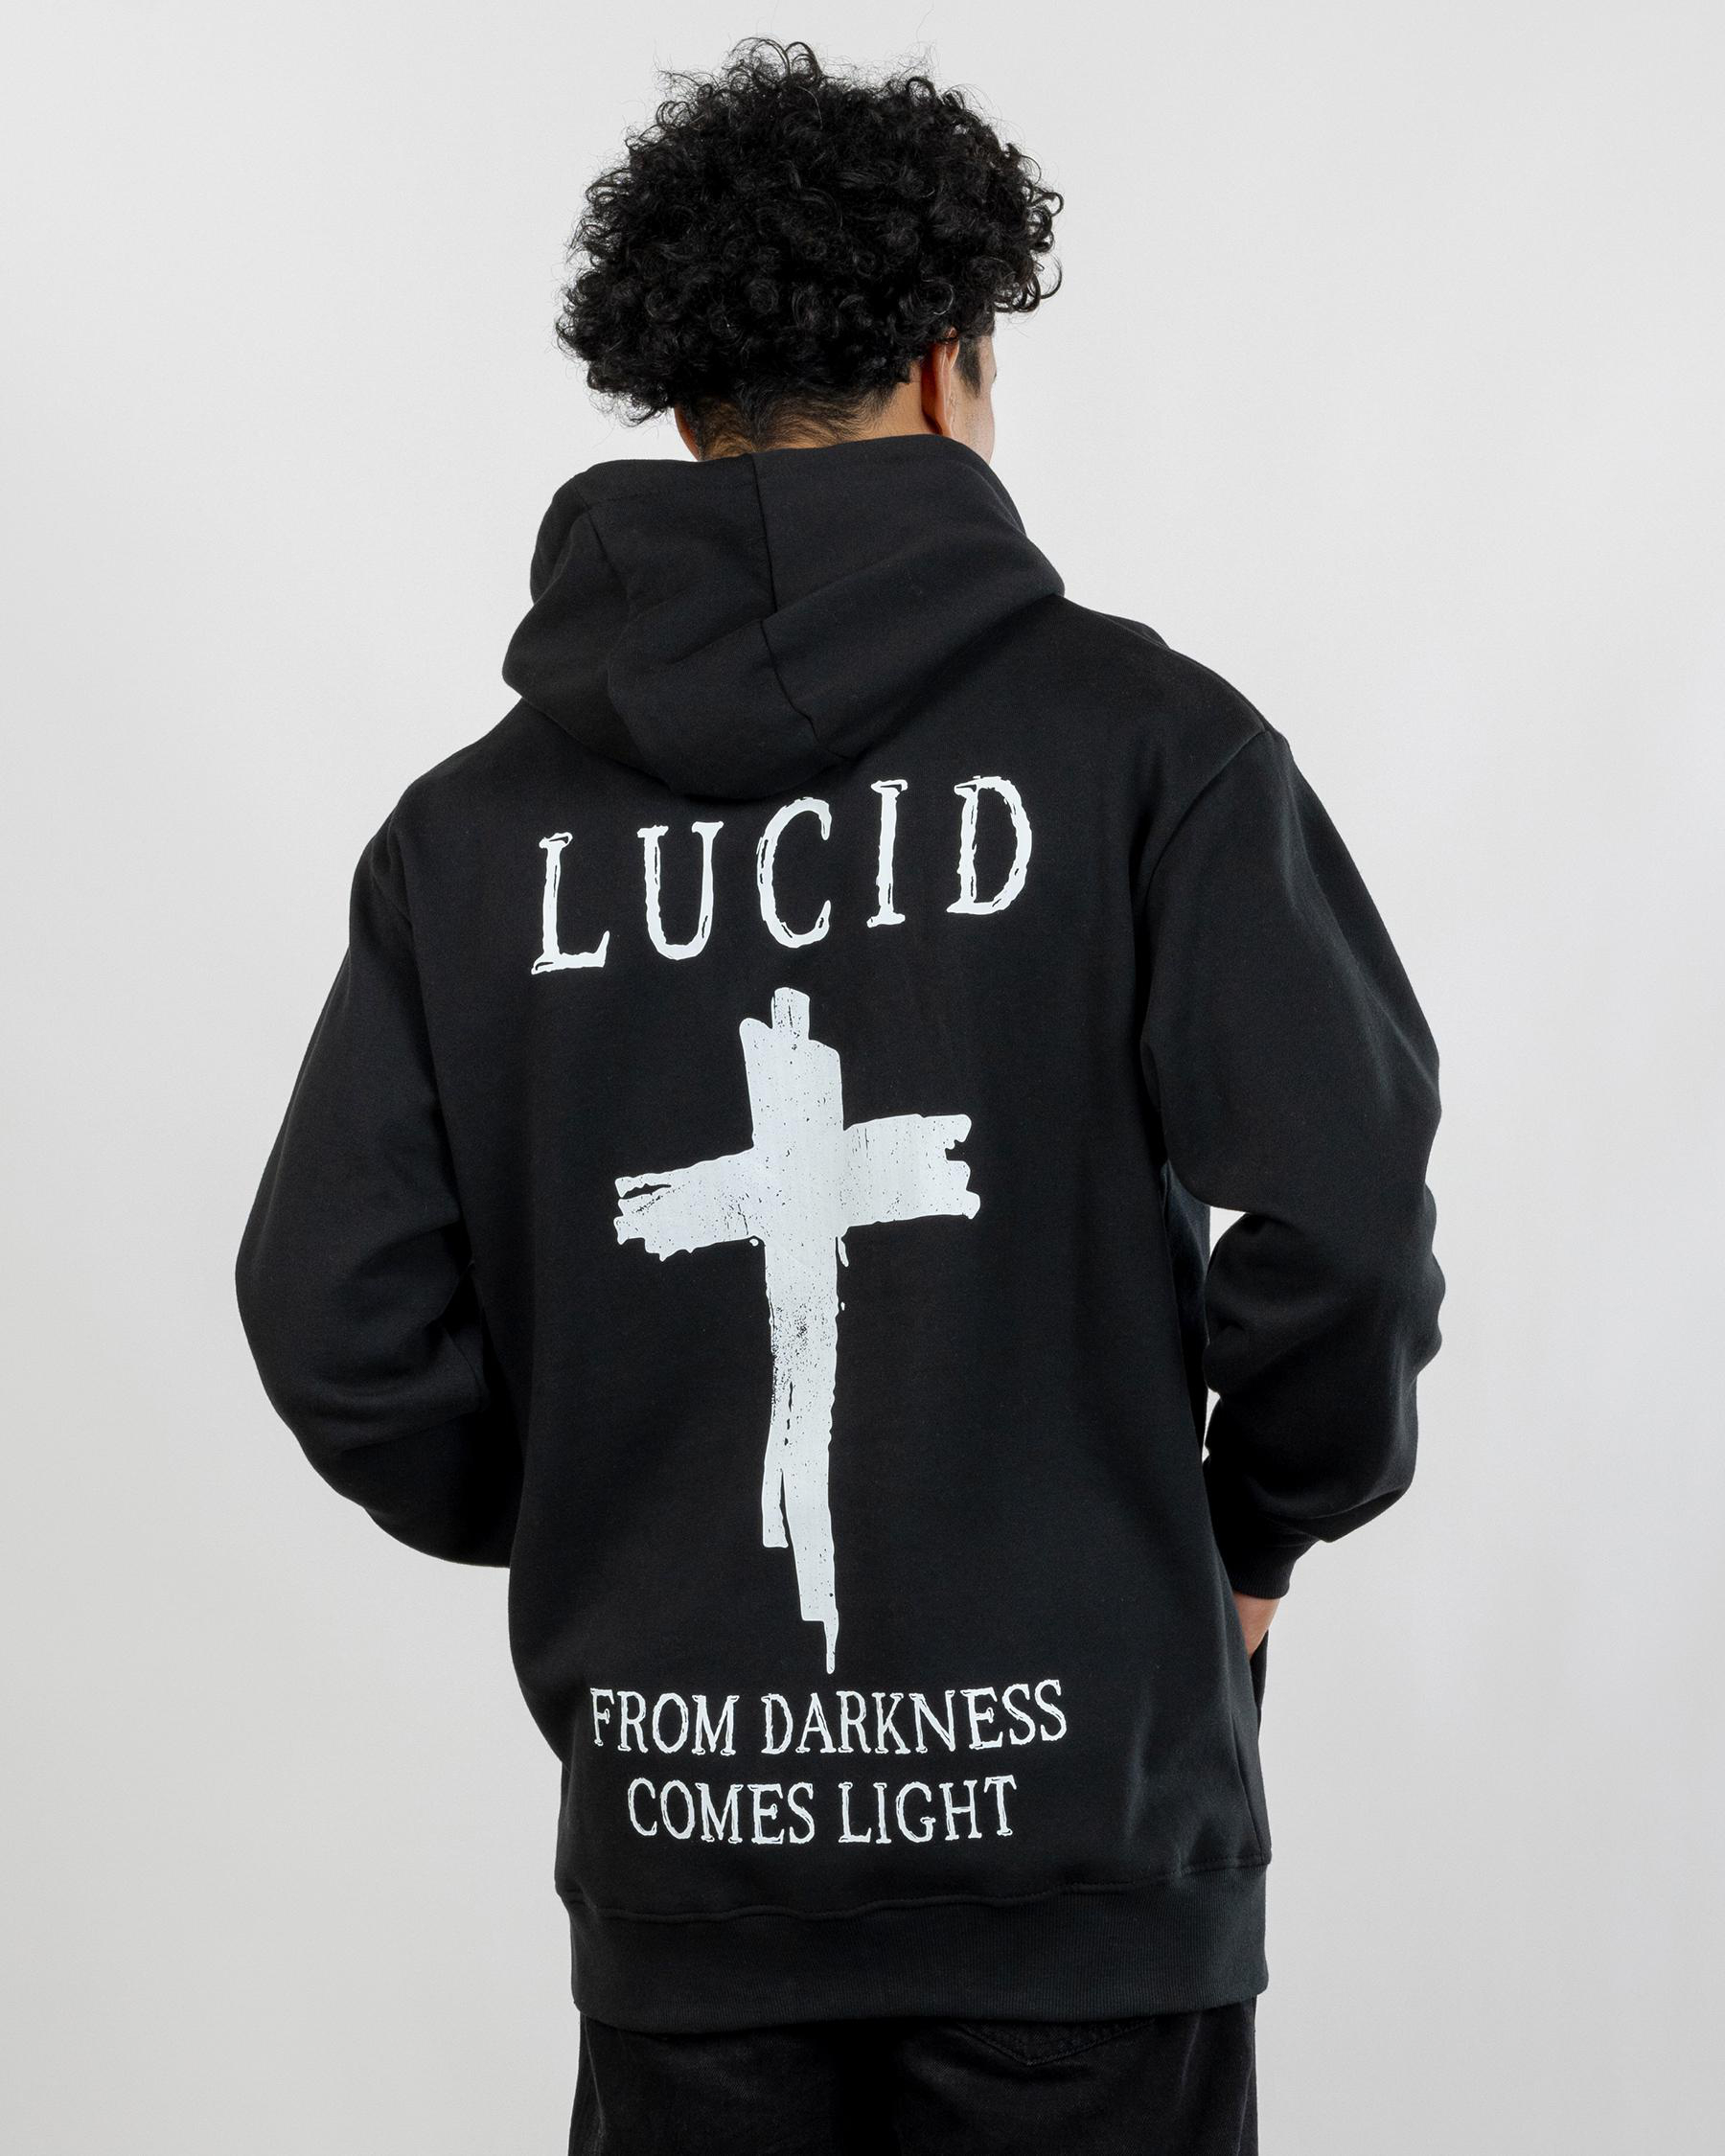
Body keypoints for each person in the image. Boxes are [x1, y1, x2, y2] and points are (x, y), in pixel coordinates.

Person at [237, 39, 1442, 2155]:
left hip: (691, 1856)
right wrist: (1253, 1521)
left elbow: (335, 1313)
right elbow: (1336, 1213)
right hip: (1085, 1869)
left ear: (687, 411)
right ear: (950, 365)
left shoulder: (466, 843)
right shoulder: (1155, 751)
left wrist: (618, 1510)